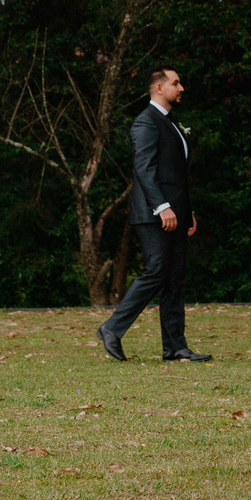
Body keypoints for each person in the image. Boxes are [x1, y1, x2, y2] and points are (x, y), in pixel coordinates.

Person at [98, 67, 211, 363]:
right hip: (153, 214)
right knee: (156, 270)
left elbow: (176, 175)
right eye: (176, 83)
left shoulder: (170, 123)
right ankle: (112, 328)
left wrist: (188, 212)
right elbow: (144, 170)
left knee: (175, 277)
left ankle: (175, 346)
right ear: (159, 88)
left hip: (176, 212)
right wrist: (162, 207)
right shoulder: (145, 123)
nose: (181, 87)